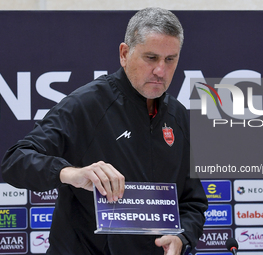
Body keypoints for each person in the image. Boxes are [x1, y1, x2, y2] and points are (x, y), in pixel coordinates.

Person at [1, 7, 208, 255]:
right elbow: (15, 160)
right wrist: (70, 173)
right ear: (124, 53)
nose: (160, 71)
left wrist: (181, 237)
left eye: (170, 59)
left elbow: (192, 202)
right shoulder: (86, 105)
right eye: (151, 58)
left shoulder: (179, 117)